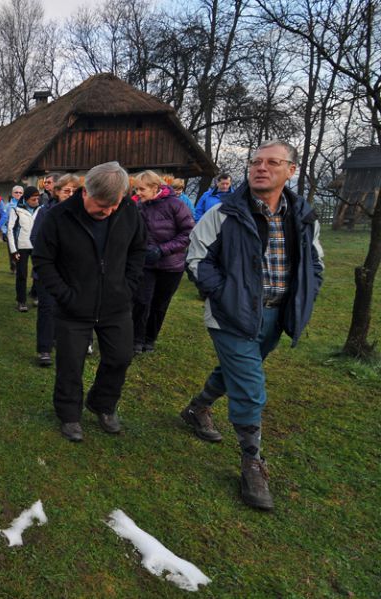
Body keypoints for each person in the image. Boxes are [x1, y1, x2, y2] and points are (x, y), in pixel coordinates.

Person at [183, 140, 323, 511]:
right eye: (256, 162)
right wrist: (224, 296)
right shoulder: (224, 214)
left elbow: (315, 263)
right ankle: (251, 462)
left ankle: (197, 408)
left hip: (276, 314)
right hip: (232, 315)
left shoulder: (303, 217)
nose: (262, 168)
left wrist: (304, 296)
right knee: (250, 385)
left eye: (273, 162)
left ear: (291, 170)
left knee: (237, 371)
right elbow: (197, 259)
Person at [32, 162, 145, 442]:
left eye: (113, 205)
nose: (107, 211)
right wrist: (65, 295)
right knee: (70, 364)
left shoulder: (129, 212)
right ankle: (69, 414)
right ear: (85, 192)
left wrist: (127, 287)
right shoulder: (59, 217)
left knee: (120, 357)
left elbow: (137, 250)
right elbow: (43, 260)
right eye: (102, 205)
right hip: (73, 308)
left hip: (116, 304)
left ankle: (102, 404)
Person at [131, 171, 194, 354]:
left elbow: (188, 233)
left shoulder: (177, 205)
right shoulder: (138, 206)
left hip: (171, 266)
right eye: (136, 189)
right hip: (146, 264)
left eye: (142, 189)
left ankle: (150, 338)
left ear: (155, 188)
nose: (138, 193)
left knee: (159, 304)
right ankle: (137, 339)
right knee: (141, 301)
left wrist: (162, 250)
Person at [31, 173, 79, 366]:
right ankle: (44, 349)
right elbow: (35, 238)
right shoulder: (45, 212)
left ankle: (63, 341)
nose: (70, 194)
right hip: (49, 269)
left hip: (73, 270)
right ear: (57, 192)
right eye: (67, 190)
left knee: (68, 307)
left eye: (74, 191)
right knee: (47, 308)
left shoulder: (82, 212)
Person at [7, 186, 41, 312]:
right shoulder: (16, 210)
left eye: (37, 199)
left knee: (40, 272)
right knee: (22, 274)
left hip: (37, 246)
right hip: (22, 247)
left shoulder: (41, 210)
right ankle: (21, 301)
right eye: (33, 199)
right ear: (26, 199)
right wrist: (13, 250)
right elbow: (10, 230)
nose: (36, 201)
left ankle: (36, 295)